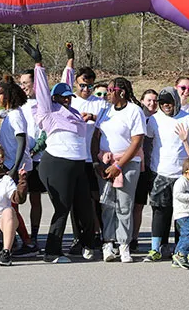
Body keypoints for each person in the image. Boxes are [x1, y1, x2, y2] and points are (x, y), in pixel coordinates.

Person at [24, 42, 98, 263]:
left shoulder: (72, 110)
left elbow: (65, 83)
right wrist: (38, 63)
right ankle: (52, 252)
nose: (67, 98)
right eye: (62, 96)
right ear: (54, 99)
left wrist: (70, 60)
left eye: (68, 96)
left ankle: (86, 244)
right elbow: (46, 90)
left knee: (85, 207)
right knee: (62, 208)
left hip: (77, 164)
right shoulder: (47, 110)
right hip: (57, 163)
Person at [93, 77, 146, 263]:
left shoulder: (134, 111)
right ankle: (108, 243)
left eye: (110, 90)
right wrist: (97, 162)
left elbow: (137, 141)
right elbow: (96, 135)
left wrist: (119, 165)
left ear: (121, 92)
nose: (107, 94)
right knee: (107, 204)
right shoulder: (105, 110)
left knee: (124, 205)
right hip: (105, 162)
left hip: (127, 163)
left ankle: (124, 244)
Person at [144, 87, 189, 262]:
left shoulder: (188, 119)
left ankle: (182, 248)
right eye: (162, 103)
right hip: (160, 172)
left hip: (183, 175)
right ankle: (156, 248)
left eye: (169, 102)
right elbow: (147, 144)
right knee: (160, 211)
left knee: (182, 213)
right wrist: (147, 169)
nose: (166, 106)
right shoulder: (154, 120)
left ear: (176, 101)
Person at [62, 43, 105, 253]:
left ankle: (97, 234)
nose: (86, 90)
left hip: (92, 159)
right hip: (74, 158)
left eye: (89, 86)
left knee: (95, 200)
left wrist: (94, 117)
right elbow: (64, 81)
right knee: (74, 202)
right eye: (82, 86)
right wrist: (70, 59)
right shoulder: (70, 102)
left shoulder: (99, 103)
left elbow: (109, 122)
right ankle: (78, 237)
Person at [0, 76, 36, 255]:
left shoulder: (17, 115)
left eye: (0, 93)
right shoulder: (10, 115)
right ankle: (21, 241)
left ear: (9, 95)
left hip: (17, 168)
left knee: (12, 207)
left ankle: (27, 243)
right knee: (10, 206)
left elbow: (21, 142)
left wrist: (14, 169)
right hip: (9, 165)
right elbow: (5, 139)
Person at [19, 68, 46, 251]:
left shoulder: (45, 103)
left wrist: (36, 149)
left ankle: (35, 236)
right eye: (21, 84)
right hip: (23, 159)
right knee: (18, 198)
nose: (23, 87)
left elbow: (47, 130)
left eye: (25, 83)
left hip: (41, 158)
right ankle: (21, 236)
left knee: (36, 199)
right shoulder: (20, 106)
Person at [132, 88, 159, 252]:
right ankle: (133, 238)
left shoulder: (160, 119)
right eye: (149, 100)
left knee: (157, 206)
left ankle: (158, 240)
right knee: (137, 205)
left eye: (155, 100)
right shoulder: (138, 117)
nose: (152, 103)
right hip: (140, 166)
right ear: (142, 101)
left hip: (156, 167)